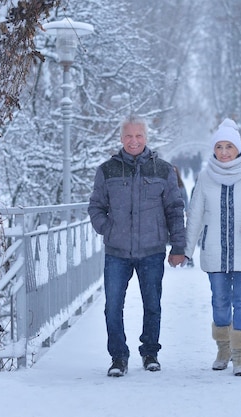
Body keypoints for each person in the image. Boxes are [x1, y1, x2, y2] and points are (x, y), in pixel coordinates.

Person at [88, 114, 186, 377]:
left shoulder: (164, 170)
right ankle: (118, 357)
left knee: (152, 303)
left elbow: (175, 210)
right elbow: (96, 207)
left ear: (146, 137)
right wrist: (107, 228)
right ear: (121, 138)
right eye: (129, 136)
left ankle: (150, 352)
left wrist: (179, 247)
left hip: (152, 249)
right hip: (117, 252)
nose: (134, 141)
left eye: (139, 136)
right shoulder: (106, 170)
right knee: (112, 307)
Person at [183, 118, 241, 376]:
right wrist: (186, 249)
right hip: (215, 251)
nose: (224, 152)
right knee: (220, 302)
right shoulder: (205, 177)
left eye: (229, 147)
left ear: (239, 148)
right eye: (219, 146)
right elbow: (196, 215)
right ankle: (224, 348)